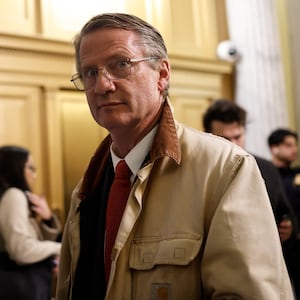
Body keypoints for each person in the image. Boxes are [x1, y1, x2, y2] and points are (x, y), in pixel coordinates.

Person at [56, 13, 294, 300]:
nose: (103, 86)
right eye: (90, 72)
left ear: (163, 74)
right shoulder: (86, 188)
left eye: (121, 64)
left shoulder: (224, 168)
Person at [202, 99, 298, 236]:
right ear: (209, 136)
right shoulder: (200, 171)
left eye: (237, 137)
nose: (234, 145)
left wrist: (289, 226)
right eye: (225, 139)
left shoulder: (267, 168)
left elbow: (285, 211)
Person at [0, 145, 61, 300]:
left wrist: (47, 218)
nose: (35, 174)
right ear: (15, 168)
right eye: (30, 168)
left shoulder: (13, 196)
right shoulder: (14, 195)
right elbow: (21, 250)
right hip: (22, 285)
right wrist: (59, 248)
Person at [268, 128, 300, 227]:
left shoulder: (296, 172)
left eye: (295, 145)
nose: (295, 150)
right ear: (274, 148)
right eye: (288, 145)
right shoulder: (267, 175)